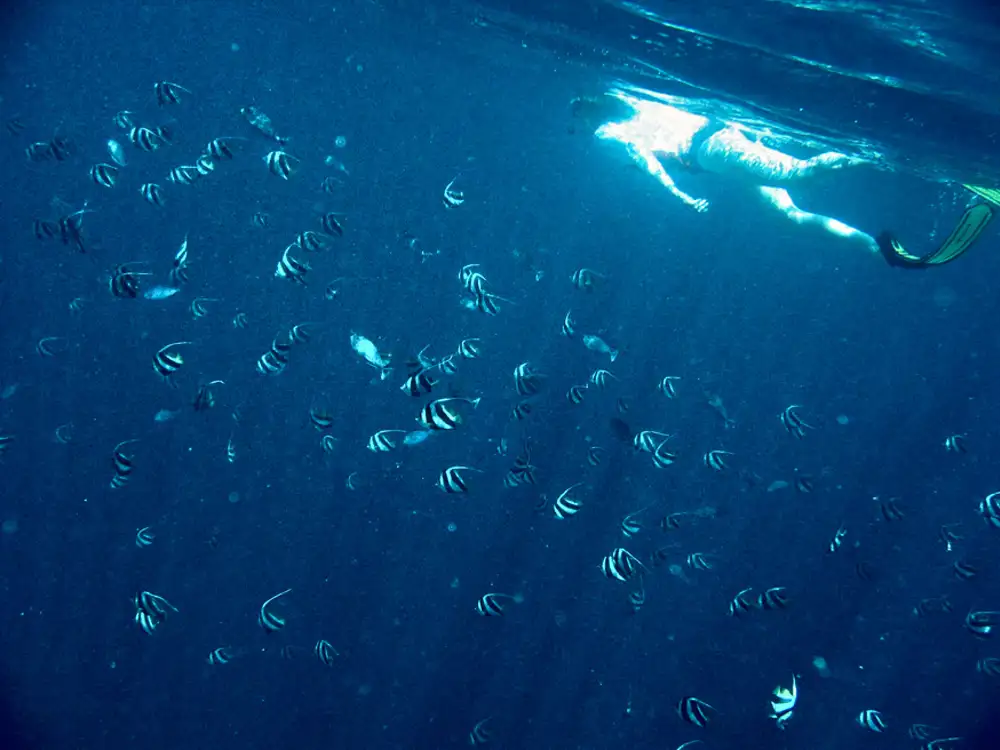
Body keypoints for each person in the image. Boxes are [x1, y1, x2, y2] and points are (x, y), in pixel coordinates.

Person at [571, 90, 879, 255]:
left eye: (579, 120)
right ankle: (872, 245)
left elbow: (644, 158)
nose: (582, 127)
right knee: (786, 216)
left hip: (713, 151)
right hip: (719, 143)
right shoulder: (630, 97)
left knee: (798, 175)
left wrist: (680, 195)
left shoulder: (610, 131)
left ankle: (871, 155)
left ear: (586, 114)